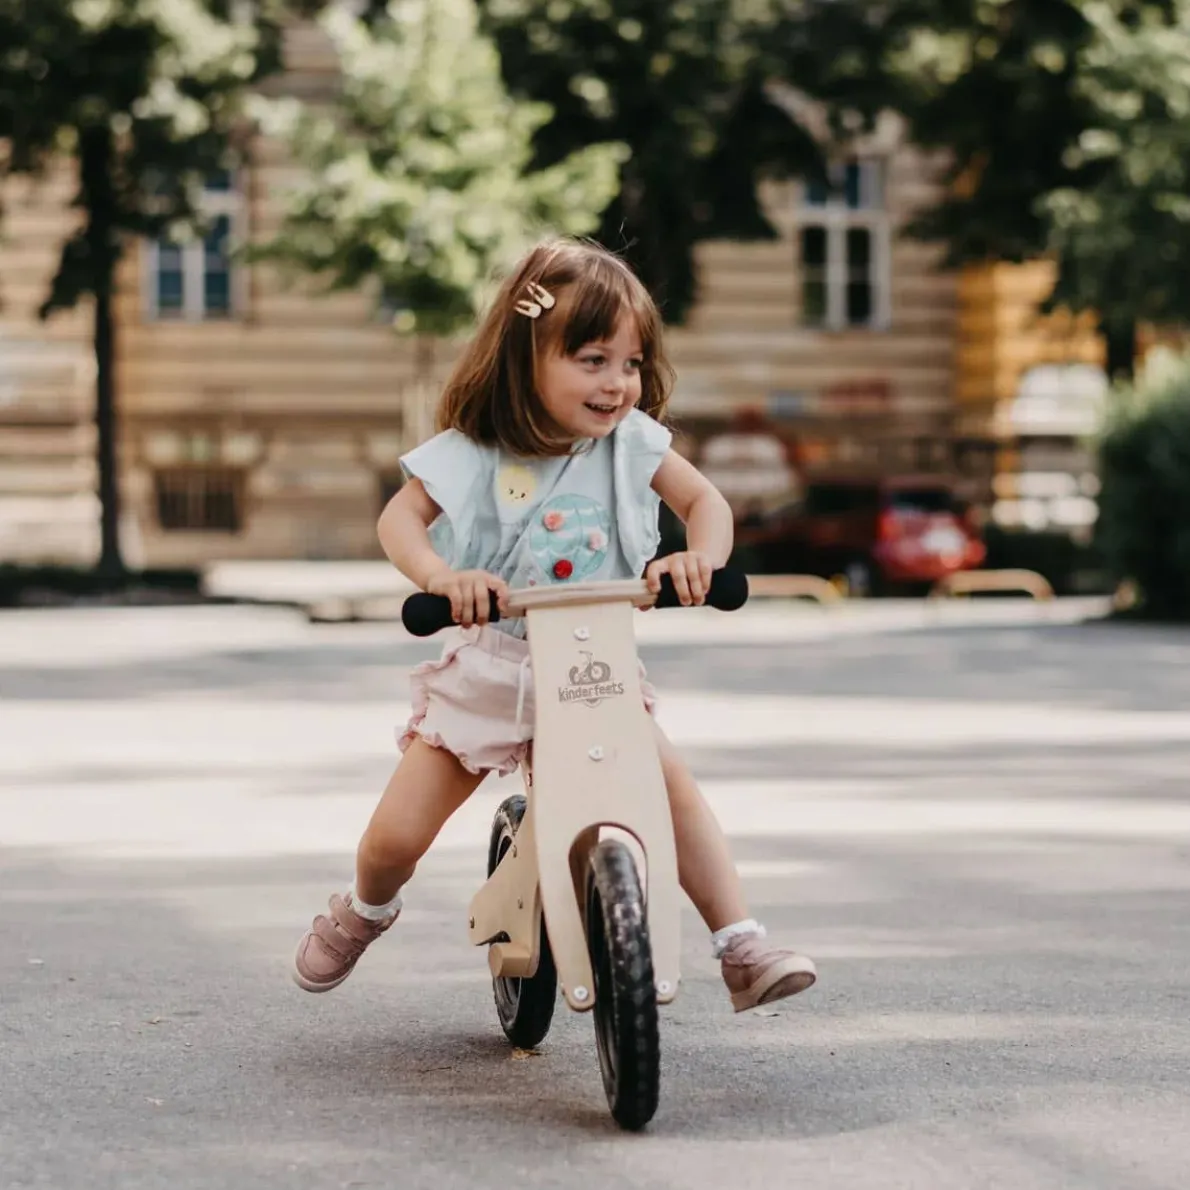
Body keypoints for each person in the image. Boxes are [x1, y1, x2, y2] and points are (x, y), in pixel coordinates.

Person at [293, 238, 817, 1013]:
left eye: (632, 363)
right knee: (396, 838)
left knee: (671, 795)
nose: (618, 384)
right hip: (491, 668)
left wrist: (697, 560)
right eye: (594, 359)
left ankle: (738, 941)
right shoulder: (475, 451)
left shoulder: (634, 442)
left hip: (594, 663)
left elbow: (707, 505)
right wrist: (443, 578)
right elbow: (401, 518)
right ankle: (365, 908)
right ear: (526, 355)